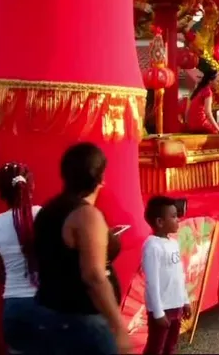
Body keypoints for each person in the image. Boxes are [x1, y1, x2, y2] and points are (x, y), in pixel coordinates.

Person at [33, 143, 130, 354]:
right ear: (100, 178)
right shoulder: (87, 215)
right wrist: (119, 326)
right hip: (82, 321)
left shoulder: (47, 210)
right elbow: (94, 276)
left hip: (51, 312)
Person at [0, 163, 41, 354]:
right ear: (31, 187)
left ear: (1, 193)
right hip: (44, 304)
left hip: (13, 306)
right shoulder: (42, 215)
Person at [142, 196, 190, 355]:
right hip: (162, 308)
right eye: (174, 216)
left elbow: (179, 275)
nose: (178, 220)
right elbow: (152, 282)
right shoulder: (152, 246)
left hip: (176, 305)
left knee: (171, 346)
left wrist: (185, 301)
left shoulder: (173, 243)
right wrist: (158, 312)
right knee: (156, 347)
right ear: (159, 222)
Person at [186, 70, 219, 134]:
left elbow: (187, 110)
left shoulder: (198, 89)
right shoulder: (208, 91)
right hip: (200, 124)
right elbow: (208, 112)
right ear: (210, 81)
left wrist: (187, 123)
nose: (218, 84)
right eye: (217, 81)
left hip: (191, 125)